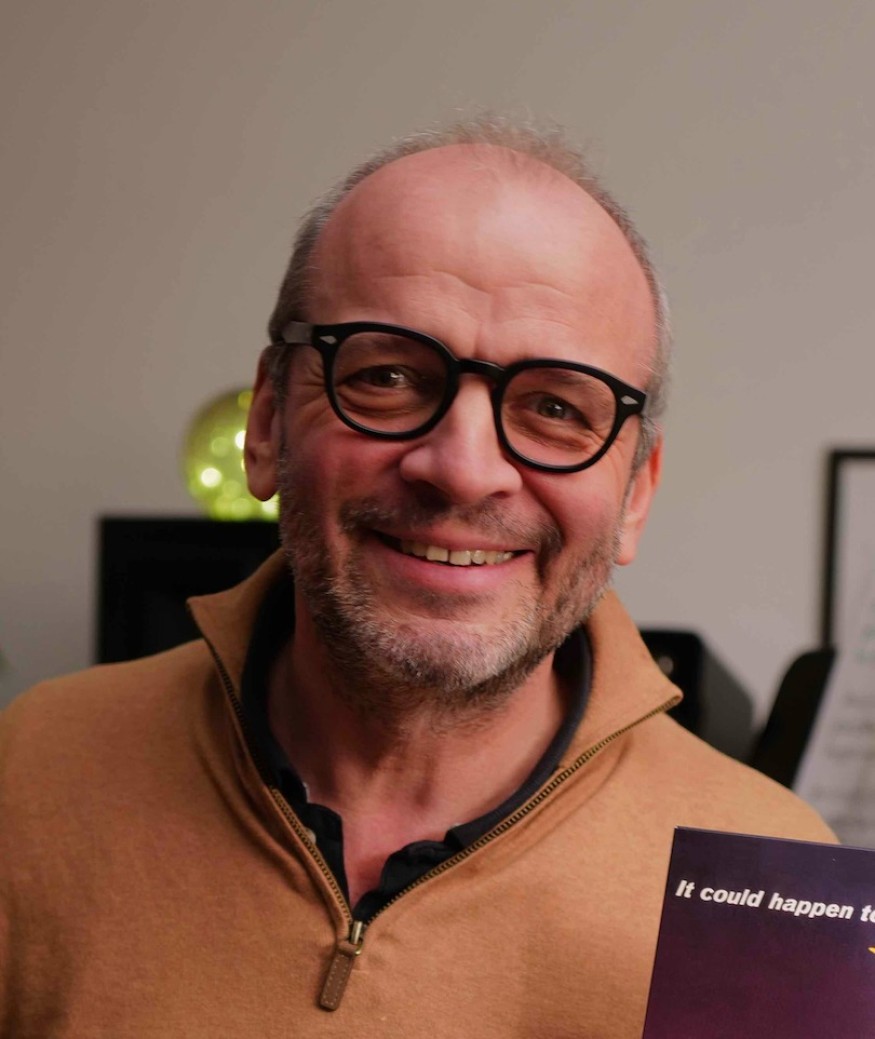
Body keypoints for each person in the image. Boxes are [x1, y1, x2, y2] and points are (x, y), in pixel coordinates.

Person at [0, 117, 833, 1038]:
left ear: (635, 491)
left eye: (556, 406)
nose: (463, 469)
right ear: (268, 422)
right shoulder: (29, 767)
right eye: (388, 375)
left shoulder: (776, 889)